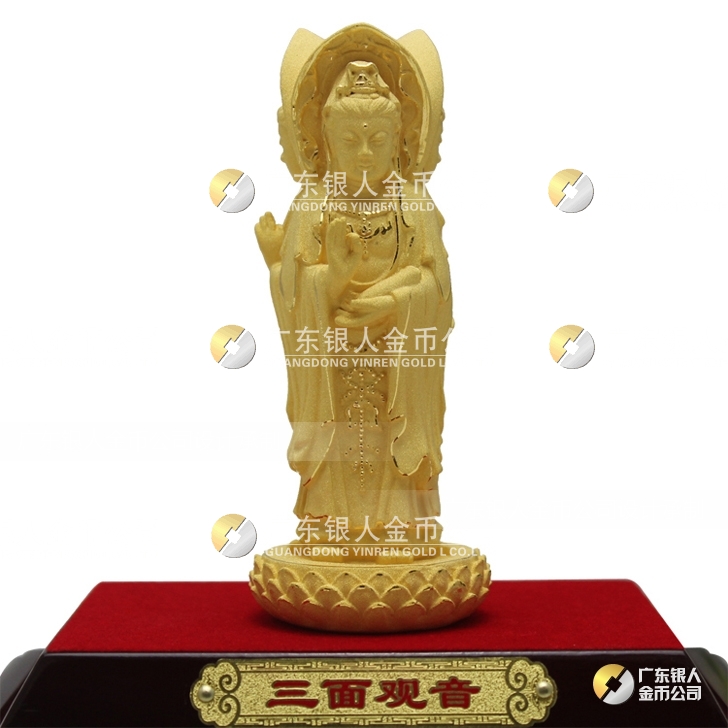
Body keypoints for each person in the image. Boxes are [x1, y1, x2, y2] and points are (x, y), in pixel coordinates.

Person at [255, 55, 452, 546]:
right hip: (334, 369)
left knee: (395, 448)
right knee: (337, 451)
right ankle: (329, 527)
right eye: (349, 141)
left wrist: (398, 304)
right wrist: (331, 280)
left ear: (399, 141)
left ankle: (402, 530)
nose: (364, 155)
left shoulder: (414, 204)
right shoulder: (313, 204)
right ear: (325, 141)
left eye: (378, 141)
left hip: (397, 362)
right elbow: (291, 289)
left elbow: (438, 290)